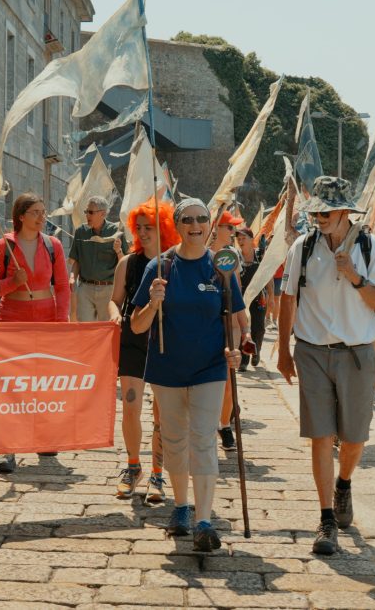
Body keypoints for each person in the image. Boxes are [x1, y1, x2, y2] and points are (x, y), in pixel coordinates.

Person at [276, 176, 375, 556]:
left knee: (355, 438)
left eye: (326, 211)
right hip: (311, 351)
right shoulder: (303, 246)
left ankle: (344, 484)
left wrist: (354, 277)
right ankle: (326, 518)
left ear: (344, 211)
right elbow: (288, 297)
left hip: (357, 352)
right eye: (315, 211)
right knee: (321, 436)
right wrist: (282, 350)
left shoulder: (368, 246)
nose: (319, 217)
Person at [130, 198, 246, 552]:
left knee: (203, 438)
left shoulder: (221, 267)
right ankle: (181, 507)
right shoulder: (159, 267)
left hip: (210, 367)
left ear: (209, 225)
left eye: (201, 219)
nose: (195, 225)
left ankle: (204, 520)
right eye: (188, 219)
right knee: (175, 439)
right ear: (177, 226)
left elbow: (234, 319)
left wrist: (235, 349)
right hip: (167, 367)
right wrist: (153, 302)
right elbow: (137, 326)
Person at [0, 192, 71, 473]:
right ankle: (5, 449)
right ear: (21, 216)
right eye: (35, 212)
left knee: (42, 382)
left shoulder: (53, 245)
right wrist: (12, 281)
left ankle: (43, 437)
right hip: (12, 318)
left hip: (46, 317)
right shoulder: (3, 246)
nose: (42, 217)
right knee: (10, 383)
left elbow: (63, 287)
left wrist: (61, 323)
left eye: (43, 211)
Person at [107, 200, 180, 502]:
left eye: (149, 227)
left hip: (165, 342)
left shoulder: (176, 264)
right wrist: (113, 314)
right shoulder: (128, 263)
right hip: (132, 339)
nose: (143, 233)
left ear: (163, 227)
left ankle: (157, 474)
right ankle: (132, 465)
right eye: (139, 228)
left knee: (161, 414)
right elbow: (115, 300)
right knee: (131, 405)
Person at [210, 211, 252, 450]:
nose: (234, 234)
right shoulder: (199, 254)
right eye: (230, 228)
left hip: (230, 326)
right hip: (205, 324)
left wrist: (245, 328)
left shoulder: (232, 255)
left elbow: (236, 295)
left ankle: (225, 425)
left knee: (228, 381)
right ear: (217, 228)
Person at [69, 195, 121, 321]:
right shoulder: (81, 231)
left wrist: (118, 251)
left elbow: (124, 262)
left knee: (106, 329)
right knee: (85, 331)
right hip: (85, 289)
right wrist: (72, 277)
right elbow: (76, 260)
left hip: (108, 290)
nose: (87, 215)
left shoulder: (116, 231)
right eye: (86, 211)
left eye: (90, 212)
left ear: (103, 214)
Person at [235, 226, 270, 372]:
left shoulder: (260, 255)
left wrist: (272, 297)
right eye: (239, 239)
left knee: (258, 328)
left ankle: (257, 350)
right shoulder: (236, 256)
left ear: (251, 240)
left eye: (243, 238)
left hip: (259, 298)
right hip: (242, 299)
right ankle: (244, 359)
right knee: (244, 329)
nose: (241, 241)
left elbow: (268, 277)